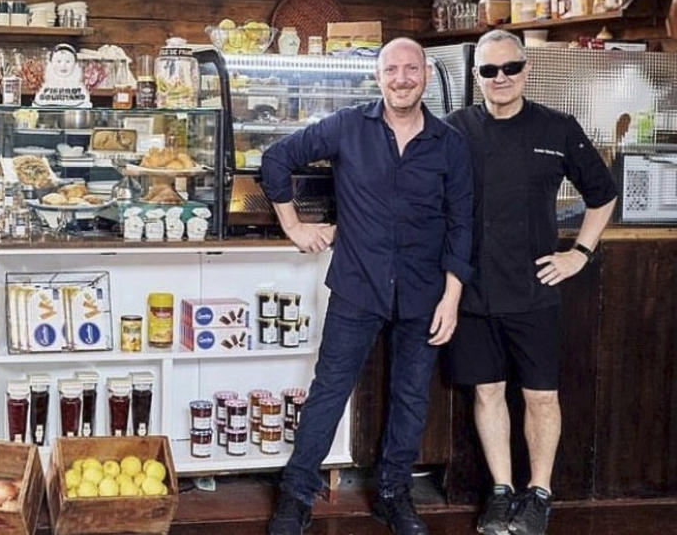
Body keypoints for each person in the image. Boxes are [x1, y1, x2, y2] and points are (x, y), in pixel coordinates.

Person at [262, 38, 474, 535]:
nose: (401, 79)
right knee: (330, 390)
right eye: (391, 70)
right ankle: (296, 494)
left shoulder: (450, 144)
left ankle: (394, 493)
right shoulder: (347, 127)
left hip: (424, 292)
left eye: (411, 69)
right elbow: (276, 159)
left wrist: (452, 296)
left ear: (424, 74)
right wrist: (294, 227)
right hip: (358, 284)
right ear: (378, 77)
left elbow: (462, 223)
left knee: (410, 396)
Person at [445, 30, 617, 535]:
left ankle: (539, 493)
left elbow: (602, 195)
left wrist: (580, 253)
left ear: (526, 70)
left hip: (534, 287)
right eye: (489, 71)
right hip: (472, 289)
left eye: (510, 68)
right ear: (477, 77)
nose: (501, 79)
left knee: (541, 396)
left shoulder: (558, 128)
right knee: (488, 392)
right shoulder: (455, 129)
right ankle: (501, 491)